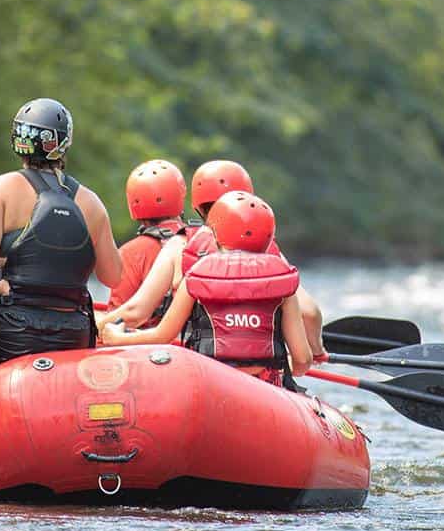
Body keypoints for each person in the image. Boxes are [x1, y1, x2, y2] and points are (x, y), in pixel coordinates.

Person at [0, 99, 123, 378]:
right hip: (73, 333)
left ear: (18, 139)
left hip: (12, 332)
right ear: (64, 143)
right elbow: (113, 277)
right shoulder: (92, 203)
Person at [106, 159, 327, 357]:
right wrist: (316, 351)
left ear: (198, 206)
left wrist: (95, 325)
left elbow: (136, 312)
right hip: (263, 371)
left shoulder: (182, 244)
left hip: (201, 362)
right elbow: (308, 313)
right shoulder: (269, 250)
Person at [99, 191, 314, 385]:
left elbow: (161, 336)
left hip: (210, 381)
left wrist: (117, 337)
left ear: (216, 232)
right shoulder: (283, 283)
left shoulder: (196, 275)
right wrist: (286, 361)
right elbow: (303, 359)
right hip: (266, 387)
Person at [100, 160, 195, 320]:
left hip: (152, 341)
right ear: (179, 195)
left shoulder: (131, 252)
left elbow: (118, 320)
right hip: (195, 340)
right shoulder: (201, 239)